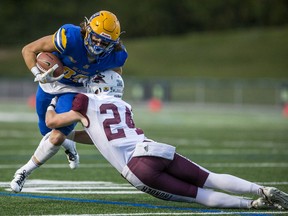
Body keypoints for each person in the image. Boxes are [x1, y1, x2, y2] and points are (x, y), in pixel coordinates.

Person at [10, 70, 288, 210]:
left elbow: (51, 124)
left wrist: (52, 100)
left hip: (137, 168)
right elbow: (96, 135)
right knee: (209, 177)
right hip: (153, 149)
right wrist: (72, 136)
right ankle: (260, 189)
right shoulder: (124, 107)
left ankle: (250, 205)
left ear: (96, 84)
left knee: (201, 196)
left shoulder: (84, 100)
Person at [19, 10, 128, 171]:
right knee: (45, 130)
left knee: (57, 133)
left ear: (113, 43)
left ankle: (24, 172)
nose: (98, 45)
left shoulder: (117, 55)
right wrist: (38, 74)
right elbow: (28, 49)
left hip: (76, 89)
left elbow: (115, 74)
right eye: (95, 39)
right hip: (50, 84)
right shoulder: (69, 37)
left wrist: (100, 86)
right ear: (87, 30)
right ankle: (70, 148)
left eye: (104, 43)